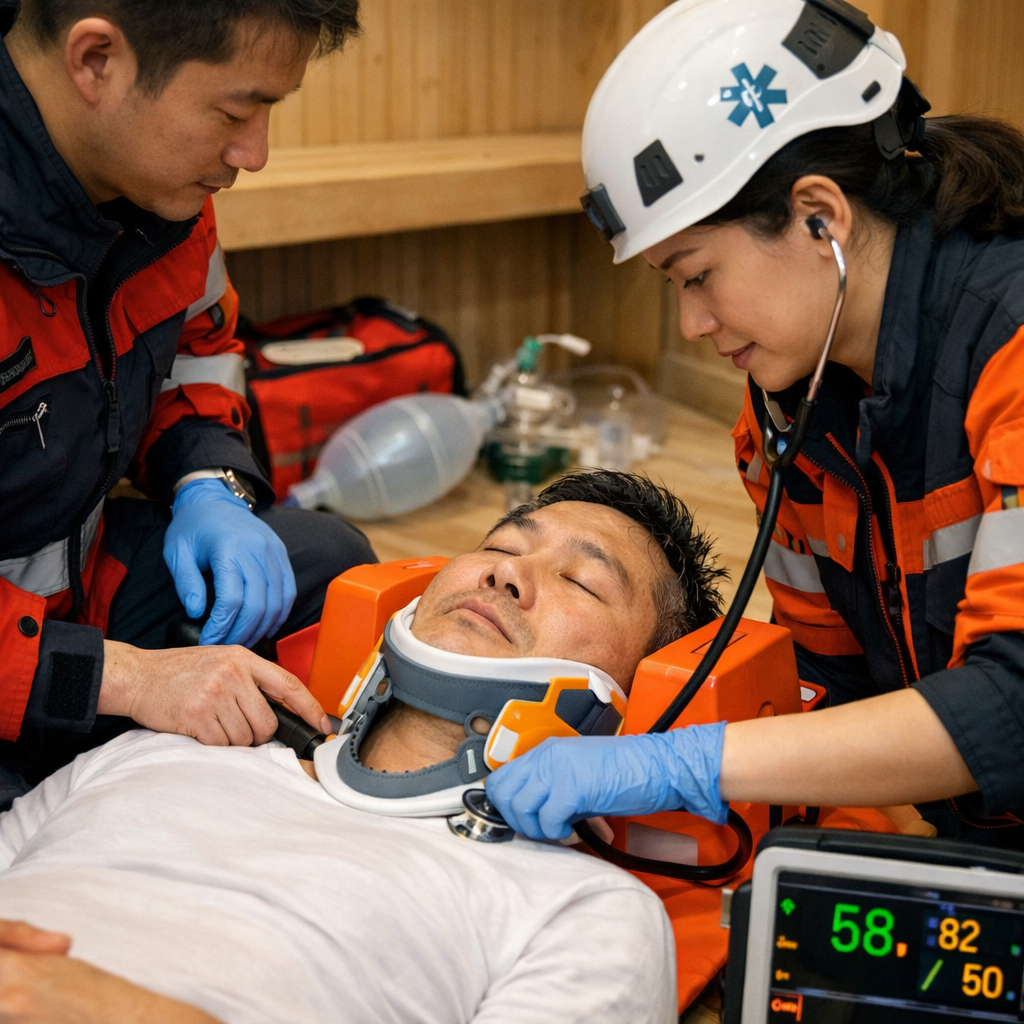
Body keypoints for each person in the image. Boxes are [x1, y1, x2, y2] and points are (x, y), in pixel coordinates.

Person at [487, 0, 1024, 847]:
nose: (693, 327)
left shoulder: (1012, 348)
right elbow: (830, 678)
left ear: (822, 217)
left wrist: (689, 762)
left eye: (697, 276)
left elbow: (1014, 708)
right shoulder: (791, 405)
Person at [0, 470, 724, 1024]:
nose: (507, 572)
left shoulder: (581, 911)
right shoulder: (166, 747)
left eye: (580, 581)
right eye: (502, 545)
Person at [0, 0, 377, 810]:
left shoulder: (156, 186)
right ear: (96, 60)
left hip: (73, 589)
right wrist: (127, 679)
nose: (255, 155)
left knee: (325, 566)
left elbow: (200, 349)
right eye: (236, 113)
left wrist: (211, 483)